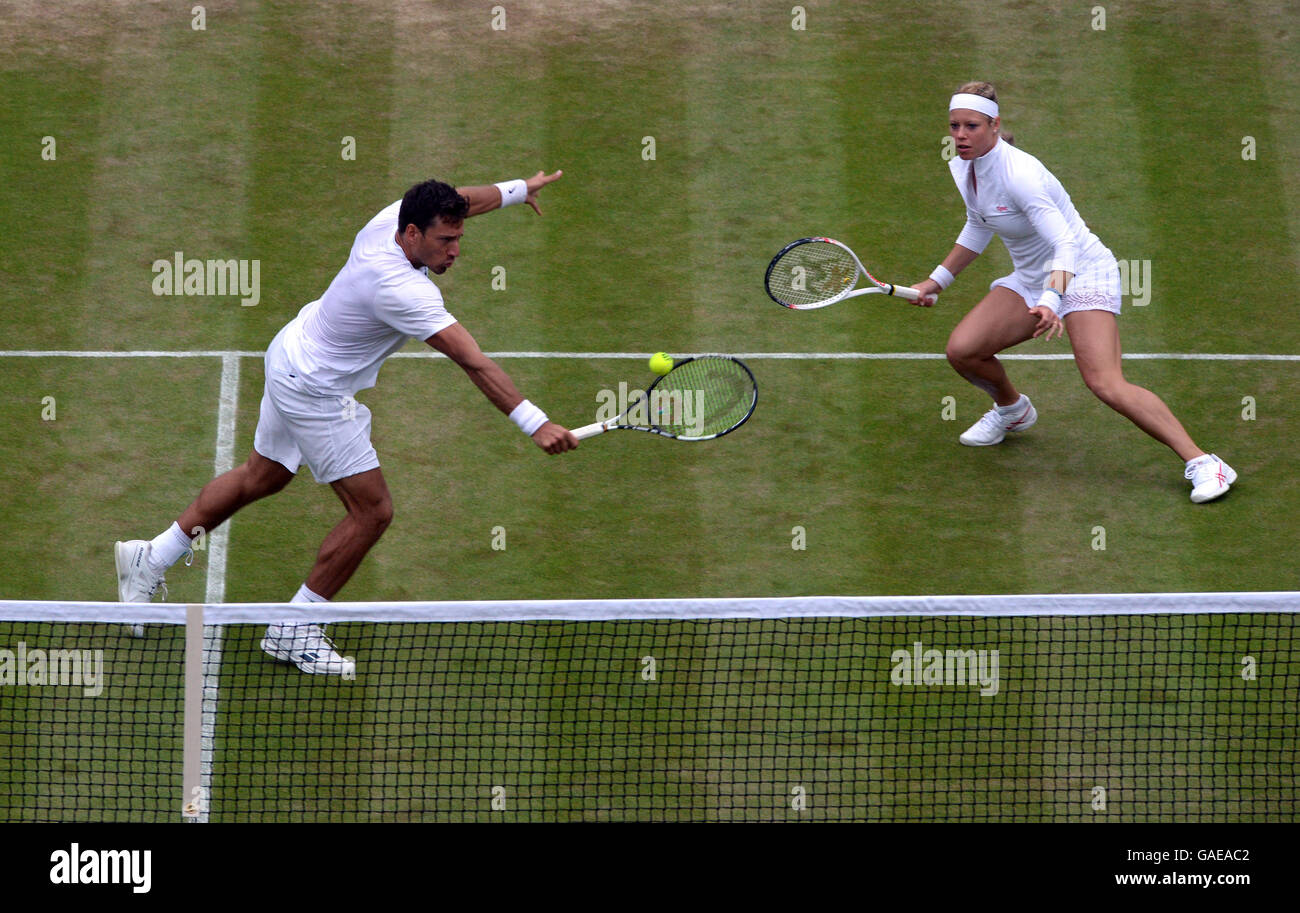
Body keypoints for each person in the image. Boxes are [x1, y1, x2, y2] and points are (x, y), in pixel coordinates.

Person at [115, 172, 577, 674]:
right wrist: (536, 423)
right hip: (314, 390)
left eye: (459, 237)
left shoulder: (391, 218)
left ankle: (151, 557)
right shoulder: (402, 291)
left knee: (263, 476)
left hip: (292, 349)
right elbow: (473, 361)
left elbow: (463, 199)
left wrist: (516, 191)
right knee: (373, 512)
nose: (456, 251)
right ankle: (294, 628)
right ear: (413, 234)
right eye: (446, 241)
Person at [910, 82, 1236, 504]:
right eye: (954, 126)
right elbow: (978, 224)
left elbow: (1065, 244)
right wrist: (938, 280)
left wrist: (1051, 299)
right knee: (963, 350)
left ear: (994, 126)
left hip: (1080, 273)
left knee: (1104, 382)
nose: (960, 136)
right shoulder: (964, 168)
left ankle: (1205, 463)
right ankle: (1013, 411)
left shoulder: (1022, 176)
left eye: (971, 126)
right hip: (1032, 277)